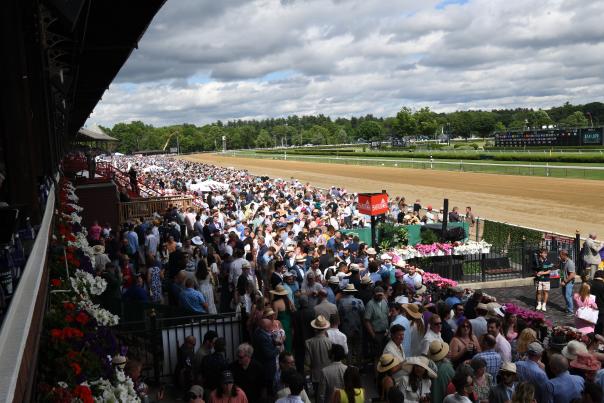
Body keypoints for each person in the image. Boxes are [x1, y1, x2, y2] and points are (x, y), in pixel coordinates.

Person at [305, 315, 333, 400]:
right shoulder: (329, 341)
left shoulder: (308, 342)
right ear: (325, 328)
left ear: (315, 329)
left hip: (316, 375)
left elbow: (308, 361)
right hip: (328, 374)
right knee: (328, 397)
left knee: (318, 396)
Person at [337, 284, 365, 365]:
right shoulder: (359, 301)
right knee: (358, 347)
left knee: (348, 346)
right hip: (358, 327)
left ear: (346, 292)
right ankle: (359, 365)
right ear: (353, 292)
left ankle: (349, 365)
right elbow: (363, 314)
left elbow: (339, 314)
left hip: (346, 328)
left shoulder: (341, 301)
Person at [365, 286, 389, 360]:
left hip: (385, 332)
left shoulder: (384, 302)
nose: (379, 296)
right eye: (378, 295)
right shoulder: (370, 304)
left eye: (381, 295)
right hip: (376, 333)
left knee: (385, 354)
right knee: (377, 356)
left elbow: (387, 315)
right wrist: (373, 335)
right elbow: (366, 321)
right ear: (374, 294)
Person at [559, 249, 576, 314]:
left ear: (564, 255)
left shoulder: (570, 263)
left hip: (569, 282)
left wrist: (565, 281)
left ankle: (570, 311)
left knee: (568, 296)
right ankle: (568, 307)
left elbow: (572, 275)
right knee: (565, 295)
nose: (559, 256)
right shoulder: (563, 261)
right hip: (564, 280)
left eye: (560, 255)